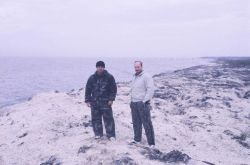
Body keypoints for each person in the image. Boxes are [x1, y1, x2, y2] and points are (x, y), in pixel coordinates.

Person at [85, 61, 117, 140]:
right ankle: (98, 134)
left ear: (104, 67)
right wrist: (87, 100)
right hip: (94, 102)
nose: (100, 68)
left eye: (101, 66)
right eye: (98, 66)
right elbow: (88, 89)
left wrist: (111, 99)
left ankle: (111, 135)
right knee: (96, 119)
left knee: (108, 119)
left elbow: (113, 89)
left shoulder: (109, 77)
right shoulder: (92, 78)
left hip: (106, 102)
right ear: (96, 67)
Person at [130, 61, 155, 147]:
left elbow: (150, 89)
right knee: (136, 122)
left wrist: (145, 101)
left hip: (142, 103)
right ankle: (137, 139)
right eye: (135, 67)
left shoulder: (146, 76)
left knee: (147, 123)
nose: (136, 69)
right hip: (133, 103)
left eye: (138, 67)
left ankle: (151, 143)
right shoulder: (134, 76)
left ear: (141, 66)